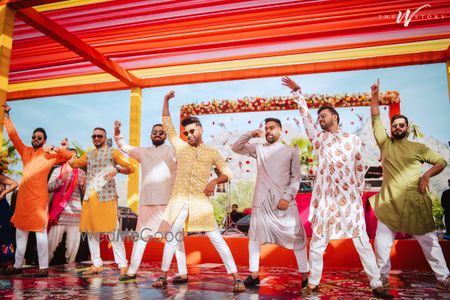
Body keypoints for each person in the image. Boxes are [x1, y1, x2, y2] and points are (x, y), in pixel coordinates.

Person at [282, 77, 392, 298]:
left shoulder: (352, 140)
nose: (319, 119)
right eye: (319, 117)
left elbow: (360, 167)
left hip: (348, 200)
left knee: (361, 241)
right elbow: (305, 118)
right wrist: (298, 93)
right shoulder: (319, 139)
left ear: (335, 116)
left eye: (323, 116)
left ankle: (376, 284)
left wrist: (355, 192)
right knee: (318, 244)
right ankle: (313, 283)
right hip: (324, 200)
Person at [152, 90, 246, 293]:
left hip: (200, 204)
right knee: (172, 238)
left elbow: (228, 173)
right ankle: (163, 275)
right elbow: (167, 125)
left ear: (200, 130)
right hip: (179, 202)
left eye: (192, 131)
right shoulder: (181, 147)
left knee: (217, 240)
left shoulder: (212, 153)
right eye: (186, 133)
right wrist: (166, 100)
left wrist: (214, 181)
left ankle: (236, 277)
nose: (188, 135)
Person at [369, 80, 449, 291]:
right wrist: (375, 96)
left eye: (401, 125)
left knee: (429, 243)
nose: (397, 128)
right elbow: (375, 119)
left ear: (407, 128)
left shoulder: (419, 148)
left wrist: (426, 177)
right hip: (389, 203)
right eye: (394, 125)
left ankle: (444, 277)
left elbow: (442, 162)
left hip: (415, 201)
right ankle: (382, 277)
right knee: (382, 244)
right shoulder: (385, 144)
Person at [232, 118, 309, 288]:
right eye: (266, 128)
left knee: (297, 237)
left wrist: (286, 198)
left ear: (280, 130)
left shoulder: (291, 151)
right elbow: (236, 147)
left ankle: (305, 276)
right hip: (261, 200)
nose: (268, 131)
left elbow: (296, 178)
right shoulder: (258, 149)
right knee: (254, 238)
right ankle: (254, 274)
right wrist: (251, 134)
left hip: (283, 202)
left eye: (272, 128)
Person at [2, 104, 73, 277]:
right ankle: (17, 265)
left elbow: (69, 156)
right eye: (34, 137)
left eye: (39, 137)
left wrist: (57, 148)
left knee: (40, 236)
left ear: (44, 140)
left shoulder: (49, 155)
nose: (35, 139)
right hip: (23, 201)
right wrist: (6, 116)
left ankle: (43, 268)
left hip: (39, 202)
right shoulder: (25, 151)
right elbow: (13, 136)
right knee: (21, 235)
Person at [113, 121, 187, 282]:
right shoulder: (143, 152)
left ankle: (183, 273)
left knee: (175, 239)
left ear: (165, 136)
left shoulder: (173, 151)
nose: (158, 134)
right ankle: (132, 272)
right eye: (155, 132)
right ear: (151, 135)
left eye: (161, 132)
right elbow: (124, 147)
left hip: (168, 203)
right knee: (140, 239)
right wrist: (118, 133)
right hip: (147, 202)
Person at [69, 127, 134, 278]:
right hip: (90, 197)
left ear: (105, 138)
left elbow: (131, 168)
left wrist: (116, 170)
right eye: (94, 136)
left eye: (100, 136)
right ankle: (96, 264)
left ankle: (123, 265)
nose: (96, 138)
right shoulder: (89, 154)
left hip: (107, 196)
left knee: (113, 231)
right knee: (91, 232)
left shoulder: (113, 152)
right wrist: (66, 151)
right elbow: (74, 164)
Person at [47, 146, 86, 264]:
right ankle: (44, 266)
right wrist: (60, 180)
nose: (74, 157)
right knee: (50, 245)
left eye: (75, 156)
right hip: (59, 214)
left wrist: (84, 186)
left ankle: (71, 271)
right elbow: (48, 188)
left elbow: (86, 192)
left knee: (73, 248)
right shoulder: (58, 170)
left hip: (75, 215)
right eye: (71, 155)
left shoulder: (81, 172)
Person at [0, 155, 18, 272]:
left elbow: (14, 184)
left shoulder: (0, 177)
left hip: (2, 208)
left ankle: (6, 264)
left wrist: (2, 193)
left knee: (4, 235)